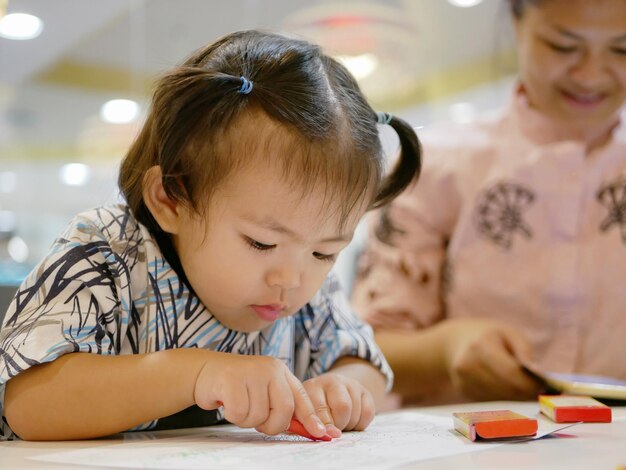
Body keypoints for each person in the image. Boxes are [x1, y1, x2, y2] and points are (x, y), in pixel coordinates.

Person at [0, 30, 421, 440]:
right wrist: (198, 372)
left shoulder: (308, 287)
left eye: (326, 253)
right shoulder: (108, 252)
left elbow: (365, 362)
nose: (291, 279)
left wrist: (343, 387)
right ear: (171, 201)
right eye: (261, 243)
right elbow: (27, 403)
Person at [352, 0, 626, 405]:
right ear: (517, 25)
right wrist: (447, 349)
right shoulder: (438, 166)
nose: (590, 74)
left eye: (622, 50)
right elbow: (359, 348)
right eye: (563, 47)